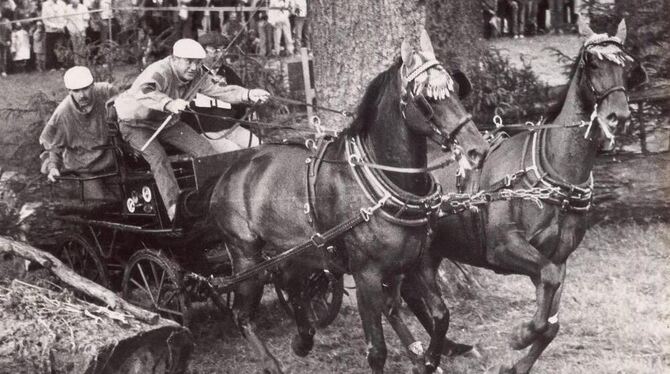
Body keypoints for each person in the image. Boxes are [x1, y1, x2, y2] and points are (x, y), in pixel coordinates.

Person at [113, 38, 270, 221]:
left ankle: (218, 200)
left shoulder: (196, 75)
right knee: (158, 158)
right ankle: (173, 208)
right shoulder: (159, 71)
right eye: (189, 61)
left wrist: (248, 94)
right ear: (174, 59)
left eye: (197, 62)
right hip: (135, 124)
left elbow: (221, 90)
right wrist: (168, 103)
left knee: (206, 151)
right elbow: (144, 91)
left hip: (167, 122)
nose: (194, 67)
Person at [39, 66, 119, 199]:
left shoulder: (106, 92)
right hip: (85, 168)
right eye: (76, 91)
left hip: (112, 162)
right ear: (69, 91)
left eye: (86, 88)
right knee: (102, 204)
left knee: (129, 199)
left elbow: (125, 102)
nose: (82, 95)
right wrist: (53, 166)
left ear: (92, 85)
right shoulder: (62, 114)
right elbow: (53, 145)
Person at [41, 0, 67, 70]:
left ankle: (61, 65)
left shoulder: (62, 3)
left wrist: (62, 26)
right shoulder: (45, 4)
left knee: (60, 48)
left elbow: (66, 17)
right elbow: (44, 19)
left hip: (61, 30)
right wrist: (54, 26)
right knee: (50, 49)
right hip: (50, 30)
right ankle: (51, 66)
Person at [65, 0, 89, 65]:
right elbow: (66, 20)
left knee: (82, 47)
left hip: (81, 30)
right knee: (75, 47)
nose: (73, 4)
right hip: (72, 30)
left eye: (75, 2)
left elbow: (86, 19)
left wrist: (83, 30)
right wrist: (70, 29)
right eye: (72, 2)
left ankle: (83, 63)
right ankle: (77, 63)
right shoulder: (67, 8)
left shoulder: (83, 7)